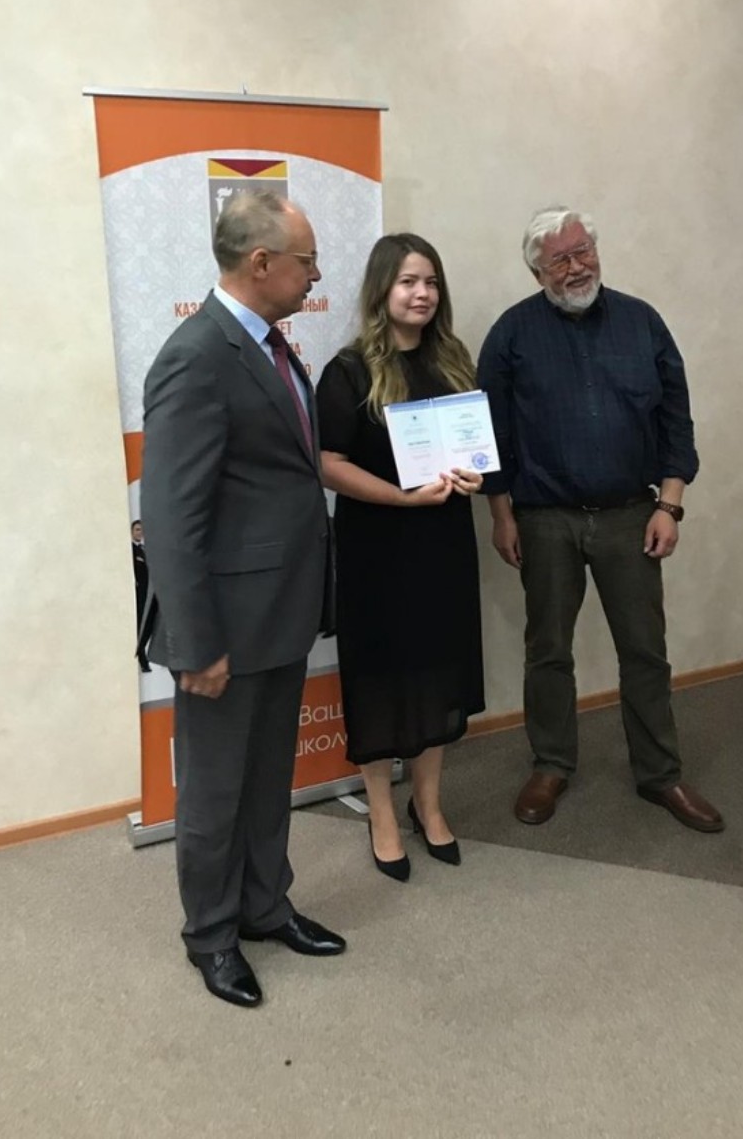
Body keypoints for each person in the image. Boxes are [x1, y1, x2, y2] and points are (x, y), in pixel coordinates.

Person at [140, 190, 346, 1009]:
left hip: (280, 612)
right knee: (216, 790)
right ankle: (212, 935)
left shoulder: (269, 343)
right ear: (261, 263)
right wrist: (196, 644)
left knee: (265, 780)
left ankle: (265, 906)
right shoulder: (197, 355)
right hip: (222, 628)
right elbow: (171, 517)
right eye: (306, 261)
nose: (316, 275)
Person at [477, 206, 724, 834]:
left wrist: (670, 504)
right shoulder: (511, 334)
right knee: (547, 650)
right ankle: (551, 764)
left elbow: (676, 420)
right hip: (544, 518)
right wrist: (502, 515)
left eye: (583, 250)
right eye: (560, 259)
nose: (577, 266)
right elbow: (491, 435)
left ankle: (660, 773)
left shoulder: (643, 323)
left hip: (631, 514)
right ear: (537, 272)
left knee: (645, 650)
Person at [316, 233, 485, 881]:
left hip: (442, 543)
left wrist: (475, 474)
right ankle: (382, 814)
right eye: (409, 282)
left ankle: (428, 805)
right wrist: (401, 498)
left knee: (438, 668)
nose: (422, 294)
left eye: (431, 282)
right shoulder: (349, 370)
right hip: (377, 547)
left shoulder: (453, 359)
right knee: (380, 675)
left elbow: (476, 446)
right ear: (382, 289)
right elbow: (327, 463)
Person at [130, 520, 157, 673]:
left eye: (142, 530)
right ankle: (142, 658)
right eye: (137, 529)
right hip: (139, 594)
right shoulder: (131, 551)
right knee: (140, 625)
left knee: (149, 624)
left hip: (149, 593)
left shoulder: (145, 549)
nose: (140, 532)